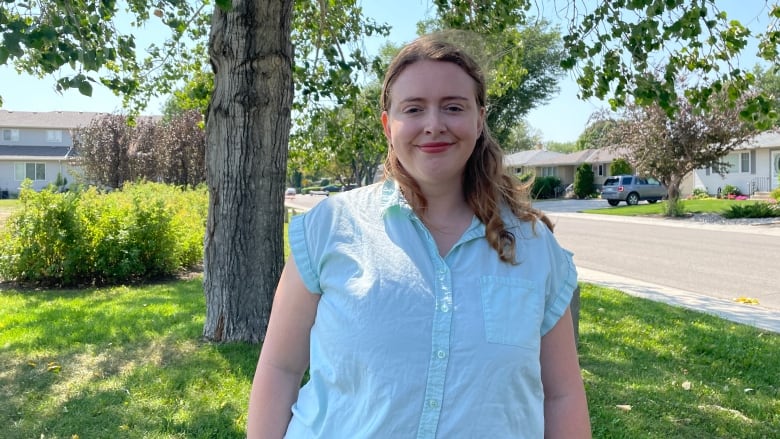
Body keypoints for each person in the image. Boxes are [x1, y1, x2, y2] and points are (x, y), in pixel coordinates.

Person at [247, 34, 591, 438]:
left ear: (479, 120)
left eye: (453, 107)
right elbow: (280, 368)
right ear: (388, 125)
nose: (434, 125)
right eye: (414, 108)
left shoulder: (535, 248)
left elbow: (562, 395)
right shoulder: (330, 227)